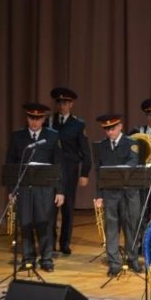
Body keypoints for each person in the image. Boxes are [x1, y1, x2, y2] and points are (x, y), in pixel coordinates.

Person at [5, 102, 64, 272]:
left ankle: (46, 258)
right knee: (25, 223)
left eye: (38, 118)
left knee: (45, 223)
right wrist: (11, 190)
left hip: (45, 188)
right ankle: (28, 258)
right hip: (24, 188)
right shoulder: (18, 137)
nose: (34, 122)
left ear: (43, 119)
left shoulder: (52, 136)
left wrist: (60, 190)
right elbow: (10, 164)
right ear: (27, 118)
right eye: (32, 118)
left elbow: (59, 165)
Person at [93, 114, 143, 277]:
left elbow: (132, 163)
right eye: (107, 129)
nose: (110, 132)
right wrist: (99, 194)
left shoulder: (131, 143)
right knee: (112, 228)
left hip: (129, 193)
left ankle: (132, 259)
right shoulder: (101, 146)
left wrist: (116, 172)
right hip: (110, 193)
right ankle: (114, 263)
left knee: (131, 227)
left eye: (113, 128)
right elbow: (98, 172)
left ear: (120, 127)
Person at [48, 87, 92, 256]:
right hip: (52, 170)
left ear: (71, 104)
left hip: (69, 170)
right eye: (59, 102)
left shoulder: (78, 124)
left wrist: (84, 173)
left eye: (65, 103)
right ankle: (50, 243)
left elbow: (85, 151)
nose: (62, 106)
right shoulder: (49, 121)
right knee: (50, 208)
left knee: (67, 207)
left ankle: (64, 243)